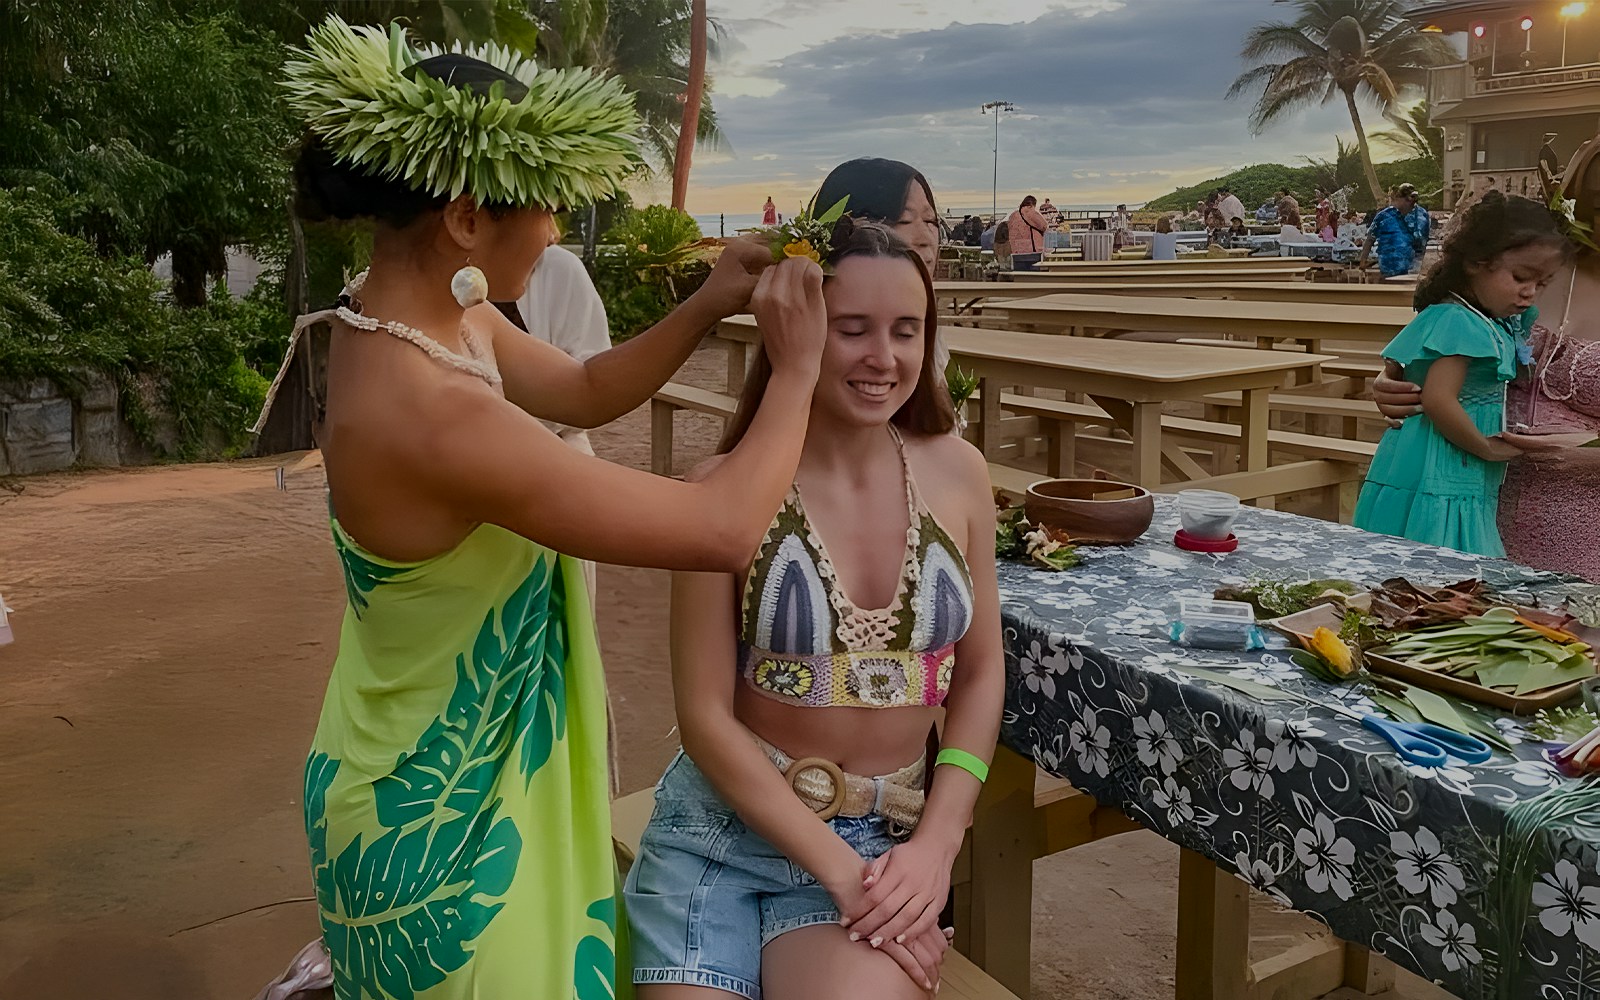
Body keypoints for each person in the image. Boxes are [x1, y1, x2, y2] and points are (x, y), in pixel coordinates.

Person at [261, 19, 830, 998]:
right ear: (468, 218)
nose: (559, 231)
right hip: (442, 837)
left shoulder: (413, 312)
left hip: (421, 768)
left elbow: (583, 386)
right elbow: (721, 531)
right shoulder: (437, 415)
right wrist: (800, 368)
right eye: (551, 207)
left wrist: (704, 301)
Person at [623, 220, 1003, 999]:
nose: (884, 358)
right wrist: (839, 870)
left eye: (907, 331)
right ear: (797, 333)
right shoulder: (723, 490)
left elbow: (981, 670)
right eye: (851, 329)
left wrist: (938, 840)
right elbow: (703, 718)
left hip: (883, 835)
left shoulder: (959, 474)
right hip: (720, 835)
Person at [1373, 139, 1600, 580]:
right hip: (1459, 498)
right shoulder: (1533, 260)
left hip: (1583, 527)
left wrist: (1593, 458)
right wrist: (1391, 384)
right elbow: (1441, 346)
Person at [1352, 192, 1573, 556]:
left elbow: (1407, 369)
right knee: (1439, 553)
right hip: (1443, 459)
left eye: (1542, 284)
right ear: (1476, 262)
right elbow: (1438, 398)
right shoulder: (1459, 321)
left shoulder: (1489, 319)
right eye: (1520, 277)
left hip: (1455, 460)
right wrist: (1485, 447)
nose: (1530, 292)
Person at [1359, 182, 1431, 278]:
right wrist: (1363, 261)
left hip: (1412, 271)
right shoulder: (1384, 216)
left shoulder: (1422, 216)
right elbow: (1370, 238)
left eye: (1396, 198)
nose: (1394, 201)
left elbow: (1421, 244)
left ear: (1407, 200)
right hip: (1387, 270)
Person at [1006, 195, 1049, 271]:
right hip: (1031, 251)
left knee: (1021, 278)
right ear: (1031, 205)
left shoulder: (1013, 215)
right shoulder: (1030, 212)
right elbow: (1044, 226)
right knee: (1034, 278)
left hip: (1015, 252)